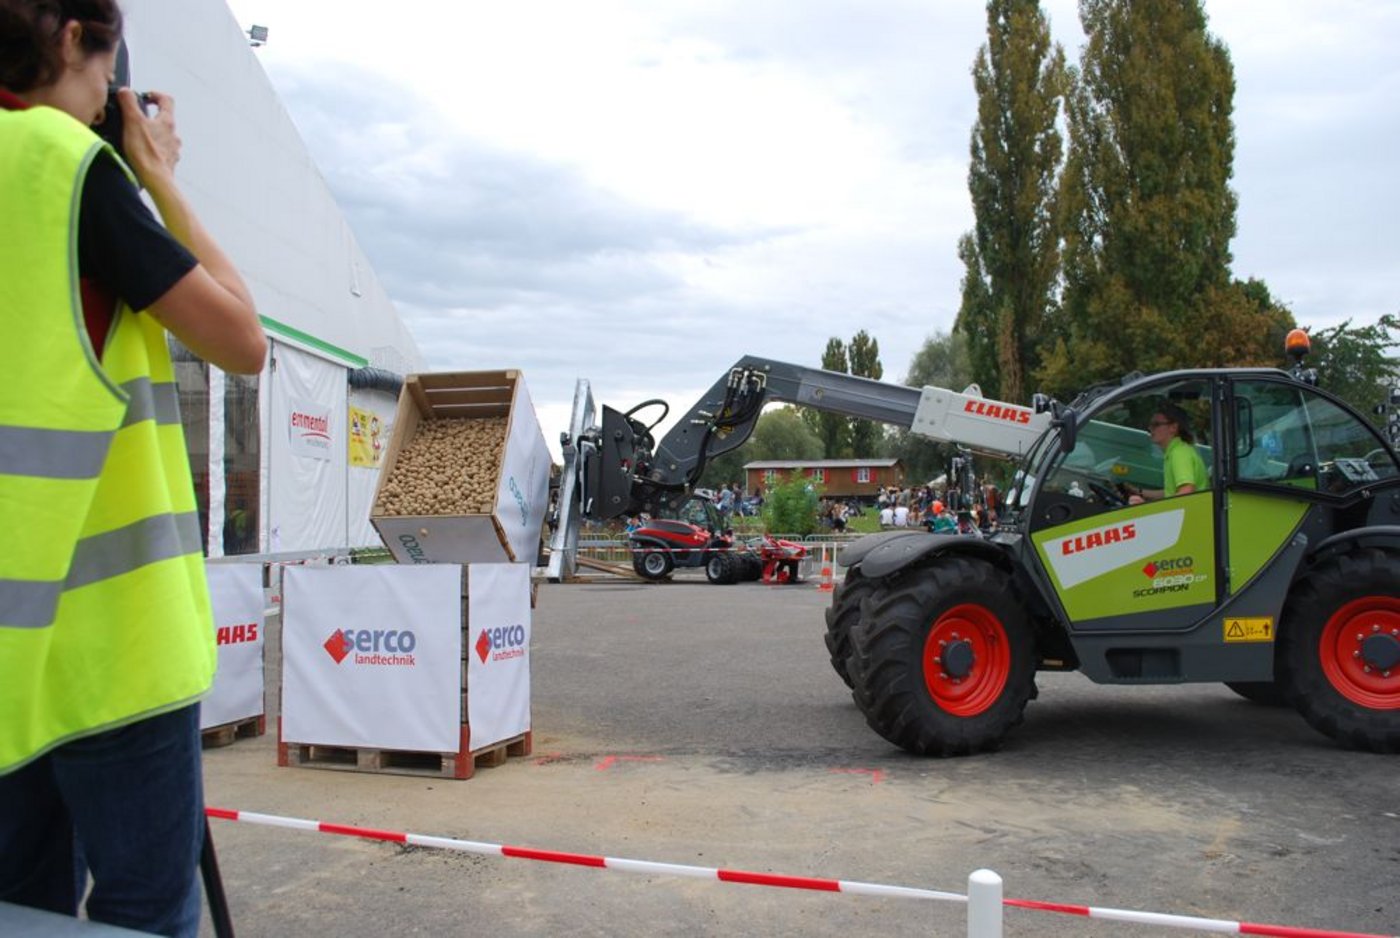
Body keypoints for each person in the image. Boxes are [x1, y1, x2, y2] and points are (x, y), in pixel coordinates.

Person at [0, 2, 266, 935]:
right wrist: (152, 173)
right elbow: (242, 340)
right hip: (110, 648)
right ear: (74, 38)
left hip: (7, 658)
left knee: (18, 910)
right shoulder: (66, 171)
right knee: (144, 912)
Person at [1127, 402, 1209, 504]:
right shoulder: (1178, 450)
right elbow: (1170, 492)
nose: (1150, 428)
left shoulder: (1179, 453)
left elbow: (1186, 491)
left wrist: (1147, 508)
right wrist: (1139, 492)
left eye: (1156, 424)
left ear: (1173, 427)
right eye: (1150, 425)